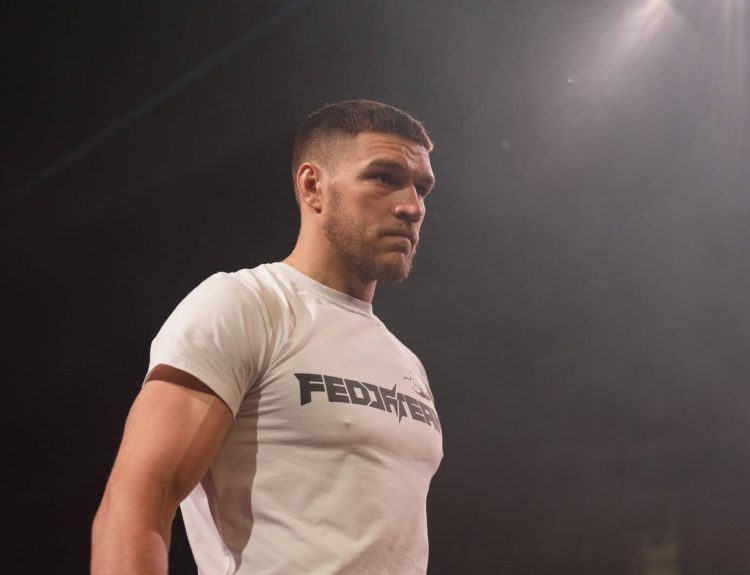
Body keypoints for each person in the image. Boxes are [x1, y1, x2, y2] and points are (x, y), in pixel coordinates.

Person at [91, 99, 443, 574]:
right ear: (313, 186)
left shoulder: (406, 364)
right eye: (384, 177)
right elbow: (134, 508)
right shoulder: (245, 305)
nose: (412, 207)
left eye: (422, 188)